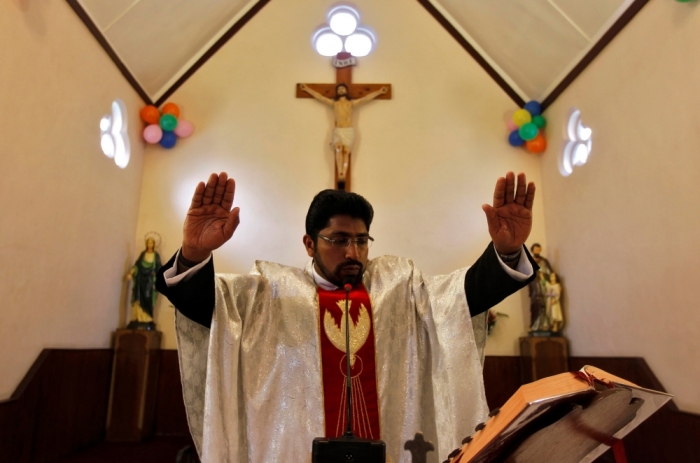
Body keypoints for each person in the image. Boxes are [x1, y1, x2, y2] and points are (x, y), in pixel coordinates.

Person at [156, 171, 538, 462]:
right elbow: (209, 307)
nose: (352, 252)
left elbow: (463, 297)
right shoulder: (269, 294)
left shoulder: (399, 288)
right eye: (338, 240)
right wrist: (192, 254)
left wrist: (505, 253)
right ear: (309, 243)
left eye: (361, 240)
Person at [299, 83, 388, 190]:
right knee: (338, 149)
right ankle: (340, 171)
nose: (341, 90)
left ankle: (343, 174)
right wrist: (307, 89)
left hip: (348, 131)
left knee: (346, 151)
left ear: (346, 91)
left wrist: (379, 92)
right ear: (337, 92)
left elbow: (366, 99)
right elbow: (320, 97)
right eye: (339, 89)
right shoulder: (334, 104)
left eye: (343, 88)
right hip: (338, 130)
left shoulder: (351, 104)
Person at [126, 234, 162, 329]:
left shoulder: (156, 255)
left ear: (154, 244)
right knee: (139, 297)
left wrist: (158, 278)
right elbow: (137, 265)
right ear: (146, 244)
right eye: (148, 242)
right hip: (140, 280)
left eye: (151, 242)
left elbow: (159, 268)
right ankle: (139, 318)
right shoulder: (143, 254)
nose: (150, 244)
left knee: (148, 298)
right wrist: (131, 273)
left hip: (150, 281)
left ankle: (147, 319)